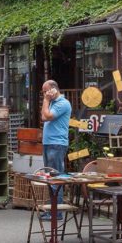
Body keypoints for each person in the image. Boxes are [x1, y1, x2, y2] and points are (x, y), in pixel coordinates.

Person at [41, 80, 72, 220]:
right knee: (50, 178)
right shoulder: (52, 103)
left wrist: (46, 100)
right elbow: (43, 116)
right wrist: (47, 101)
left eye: (45, 91)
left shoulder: (62, 103)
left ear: (53, 89)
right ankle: (52, 210)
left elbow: (47, 116)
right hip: (48, 143)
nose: (44, 94)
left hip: (57, 144)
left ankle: (56, 212)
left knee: (55, 178)